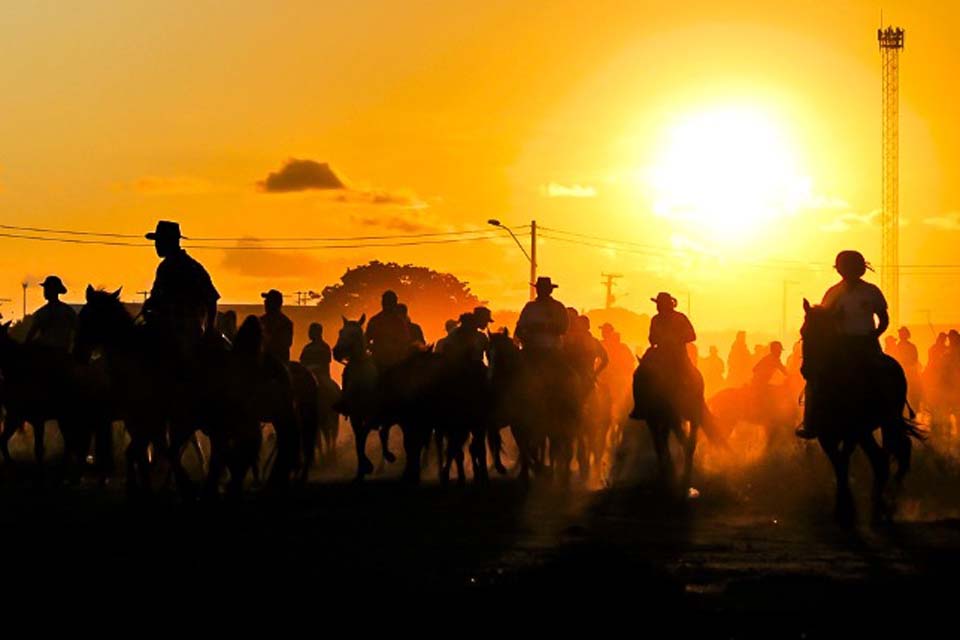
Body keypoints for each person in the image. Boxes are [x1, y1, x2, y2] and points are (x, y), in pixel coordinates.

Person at [797, 250, 888, 439]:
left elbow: (884, 319)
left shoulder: (871, 291)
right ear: (840, 270)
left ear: (861, 269)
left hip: (866, 343)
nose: (848, 271)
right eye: (845, 267)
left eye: (852, 267)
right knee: (815, 378)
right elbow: (822, 320)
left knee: (886, 374)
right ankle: (810, 421)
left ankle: (891, 414)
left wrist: (875, 334)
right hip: (839, 344)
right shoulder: (832, 292)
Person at [142, 221, 220, 354]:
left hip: (185, 333)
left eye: (159, 241)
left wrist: (209, 330)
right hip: (164, 328)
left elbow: (211, 299)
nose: (156, 245)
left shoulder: (190, 267)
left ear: (170, 242)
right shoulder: (165, 268)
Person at [515, 277, 569, 355]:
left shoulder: (558, 307)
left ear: (550, 291)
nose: (542, 291)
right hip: (531, 350)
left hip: (553, 350)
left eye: (544, 289)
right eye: (540, 289)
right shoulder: (530, 307)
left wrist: (546, 328)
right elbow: (519, 329)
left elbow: (564, 328)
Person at [25, 275, 77, 352]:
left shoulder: (65, 311)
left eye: (48, 289)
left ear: (54, 291)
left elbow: (31, 335)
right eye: (46, 289)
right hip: (55, 352)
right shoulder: (67, 310)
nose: (45, 291)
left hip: (55, 352)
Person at [366, 290, 413, 370]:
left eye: (390, 302)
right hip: (378, 361)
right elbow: (366, 339)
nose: (387, 304)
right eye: (386, 301)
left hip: (395, 363)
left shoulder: (399, 322)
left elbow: (405, 342)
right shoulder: (375, 321)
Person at [259, 289, 294, 363]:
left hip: (278, 365)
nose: (265, 303)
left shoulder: (285, 323)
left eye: (268, 301)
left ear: (275, 304)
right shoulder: (261, 321)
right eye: (266, 301)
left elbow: (284, 345)